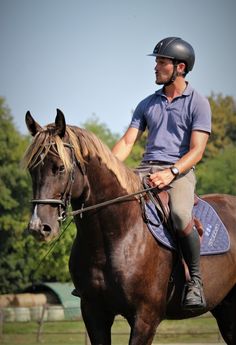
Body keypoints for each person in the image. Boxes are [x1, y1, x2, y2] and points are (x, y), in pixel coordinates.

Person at [112, 37, 211, 310]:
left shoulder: (198, 103)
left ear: (180, 67)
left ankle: (196, 282)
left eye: (161, 62)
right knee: (108, 205)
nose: (155, 67)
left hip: (180, 172)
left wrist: (171, 172)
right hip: (144, 169)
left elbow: (197, 150)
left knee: (180, 215)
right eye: (156, 62)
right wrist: (108, 165)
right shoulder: (147, 103)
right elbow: (127, 142)